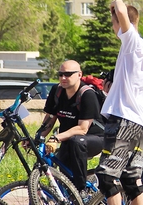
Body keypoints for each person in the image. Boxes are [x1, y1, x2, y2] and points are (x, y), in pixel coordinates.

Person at [92, 0, 143, 205]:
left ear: (122, 23)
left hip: (124, 122)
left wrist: (116, 5)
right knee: (132, 179)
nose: (112, 27)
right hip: (139, 123)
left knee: (107, 176)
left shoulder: (132, 42)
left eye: (113, 22)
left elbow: (119, 6)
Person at [36, 60, 104, 191]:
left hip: (95, 138)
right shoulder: (57, 91)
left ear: (79, 74)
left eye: (68, 74)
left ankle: (81, 189)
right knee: (65, 177)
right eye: (60, 74)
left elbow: (83, 129)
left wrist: (56, 138)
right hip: (68, 139)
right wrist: (38, 137)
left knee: (77, 141)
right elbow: (50, 119)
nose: (63, 78)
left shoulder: (87, 94)